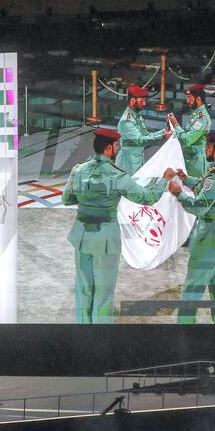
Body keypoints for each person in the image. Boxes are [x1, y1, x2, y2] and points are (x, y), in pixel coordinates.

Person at [62, 128, 174, 323]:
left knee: (83, 288)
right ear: (108, 149)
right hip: (105, 239)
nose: (118, 149)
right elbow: (148, 198)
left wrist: (88, 201)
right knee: (104, 292)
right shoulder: (118, 176)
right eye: (116, 146)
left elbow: (66, 199)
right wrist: (164, 180)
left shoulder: (78, 170)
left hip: (81, 236)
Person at [168, 139, 215, 323]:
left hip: (209, 239)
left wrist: (179, 193)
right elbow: (207, 187)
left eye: (208, 146)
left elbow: (200, 206)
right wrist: (187, 179)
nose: (205, 149)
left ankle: (183, 332)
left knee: (192, 290)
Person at [115, 85, 172, 175]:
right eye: (141, 101)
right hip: (127, 163)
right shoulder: (127, 121)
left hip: (136, 159)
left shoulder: (137, 117)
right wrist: (163, 136)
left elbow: (145, 135)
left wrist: (164, 131)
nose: (144, 104)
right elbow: (140, 140)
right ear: (132, 101)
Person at [169, 84, 212, 178]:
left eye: (190, 97)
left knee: (194, 189)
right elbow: (185, 133)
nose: (187, 101)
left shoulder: (202, 118)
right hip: (189, 158)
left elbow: (187, 140)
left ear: (198, 99)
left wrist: (176, 124)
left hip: (196, 162)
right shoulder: (195, 114)